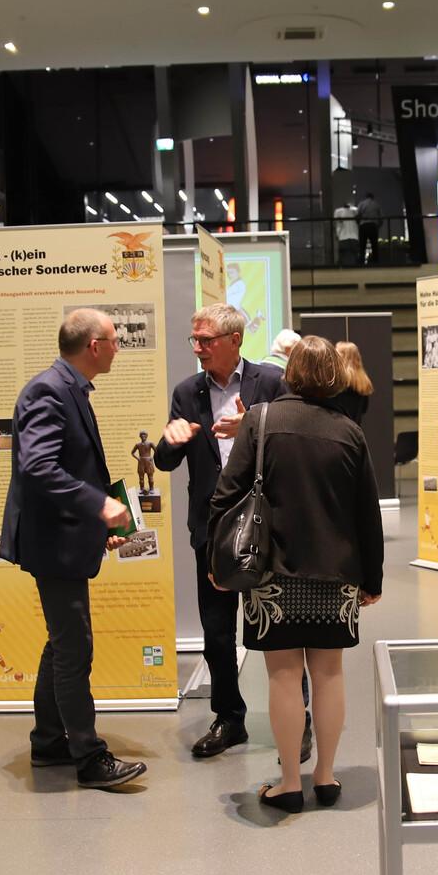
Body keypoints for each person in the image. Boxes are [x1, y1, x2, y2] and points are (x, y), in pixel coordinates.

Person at [207, 336, 382, 813]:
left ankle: (289, 782)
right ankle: (325, 776)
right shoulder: (350, 432)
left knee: (283, 678)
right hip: (337, 573)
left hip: (271, 576)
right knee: (329, 675)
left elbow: (226, 498)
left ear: (290, 372)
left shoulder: (259, 422)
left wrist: (216, 562)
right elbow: (369, 515)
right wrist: (373, 580)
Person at [0, 309, 145, 790]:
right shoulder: (49, 390)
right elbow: (38, 468)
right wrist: (99, 506)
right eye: (114, 340)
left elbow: (66, 466)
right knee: (74, 646)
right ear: (94, 346)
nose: (119, 348)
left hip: (64, 535)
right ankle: (88, 756)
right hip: (52, 542)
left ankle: (47, 741)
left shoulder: (68, 387)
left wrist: (96, 523)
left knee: (61, 642)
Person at [154, 303, 287, 759]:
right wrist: (169, 441)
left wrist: (253, 425)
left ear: (235, 341)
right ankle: (229, 718)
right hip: (212, 526)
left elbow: (292, 441)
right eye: (194, 340)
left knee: (279, 623)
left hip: (267, 522)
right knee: (216, 631)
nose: (198, 349)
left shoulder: (269, 381)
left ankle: (298, 716)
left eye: (206, 341)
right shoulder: (187, 392)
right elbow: (164, 461)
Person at [328, 340, 373, 424]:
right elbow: (364, 409)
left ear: (342, 356)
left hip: (339, 429)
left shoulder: (337, 381)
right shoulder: (364, 382)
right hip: (355, 430)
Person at [356, 190, 382, 264]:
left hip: (364, 225)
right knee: (374, 245)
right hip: (373, 226)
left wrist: (359, 224)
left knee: (362, 245)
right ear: (372, 197)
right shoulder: (376, 204)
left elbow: (358, 215)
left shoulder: (361, 204)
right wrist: (378, 226)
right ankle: (375, 262)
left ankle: (362, 262)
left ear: (366, 197)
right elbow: (381, 217)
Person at [333, 202, 360, 266]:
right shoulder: (355, 210)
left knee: (343, 253)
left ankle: (341, 267)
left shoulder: (338, 211)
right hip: (353, 235)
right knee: (354, 253)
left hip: (343, 236)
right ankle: (355, 267)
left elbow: (337, 223)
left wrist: (337, 234)